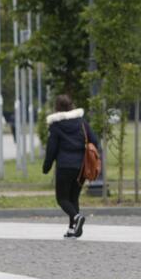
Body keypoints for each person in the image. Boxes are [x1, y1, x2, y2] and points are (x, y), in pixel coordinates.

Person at [42, 94, 101, 239]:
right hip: (81, 167)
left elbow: (52, 149)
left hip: (64, 167)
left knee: (62, 198)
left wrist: (46, 167)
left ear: (57, 108)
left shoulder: (55, 126)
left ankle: (76, 218)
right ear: (71, 105)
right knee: (73, 198)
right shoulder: (82, 123)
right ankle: (72, 229)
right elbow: (95, 141)